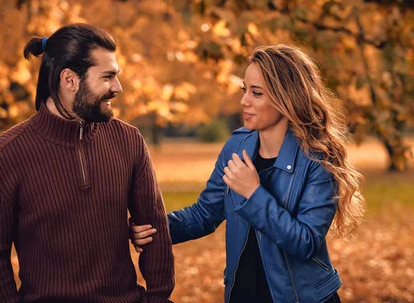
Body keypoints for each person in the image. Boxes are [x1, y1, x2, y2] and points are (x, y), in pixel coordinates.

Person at [132, 45, 366, 303]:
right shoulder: (237, 146)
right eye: (245, 90)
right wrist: (155, 228)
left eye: (257, 93)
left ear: (286, 98)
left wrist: (253, 194)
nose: (244, 101)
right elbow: (205, 214)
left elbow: (306, 242)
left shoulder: (318, 158)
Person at [0, 23, 174, 303]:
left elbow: (155, 231)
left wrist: (158, 298)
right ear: (69, 80)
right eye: (107, 77)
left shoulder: (129, 141)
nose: (118, 87)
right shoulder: (3, 158)